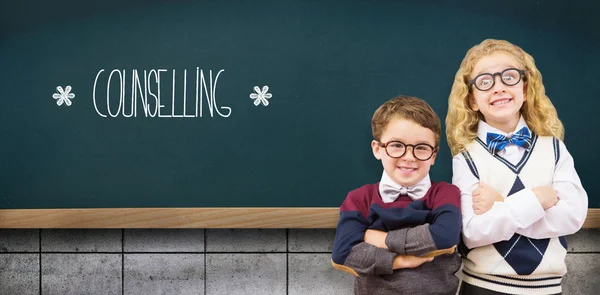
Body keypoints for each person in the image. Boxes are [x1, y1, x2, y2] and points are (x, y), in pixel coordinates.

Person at [445, 39, 588, 295]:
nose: (498, 87)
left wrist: (500, 203)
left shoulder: (554, 149)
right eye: (485, 81)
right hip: (483, 286)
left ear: (525, 88)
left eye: (509, 77)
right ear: (472, 100)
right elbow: (472, 233)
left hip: (547, 289)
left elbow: (572, 217)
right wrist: (538, 198)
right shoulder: (466, 158)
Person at [331, 95, 462, 295]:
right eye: (397, 145)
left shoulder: (445, 193)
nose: (408, 157)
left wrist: (378, 239)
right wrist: (401, 261)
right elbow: (344, 254)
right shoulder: (359, 199)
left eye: (421, 148)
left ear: (434, 155)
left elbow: (444, 237)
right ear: (377, 149)